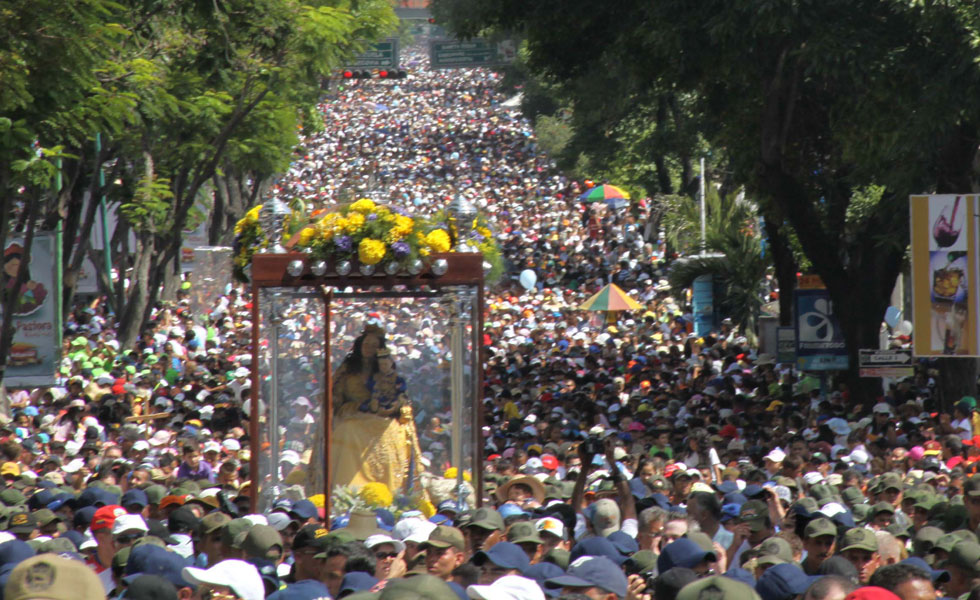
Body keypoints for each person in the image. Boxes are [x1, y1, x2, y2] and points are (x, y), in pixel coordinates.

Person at [329, 325, 424, 492]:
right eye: (366, 345)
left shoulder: (386, 371)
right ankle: (349, 489)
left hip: (381, 417)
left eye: (373, 346)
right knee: (348, 430)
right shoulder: (347, 369)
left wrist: (394, 406)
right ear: (360, 345)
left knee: (392, 432)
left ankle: (389, 490)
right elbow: (334, 398)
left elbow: (401, 396)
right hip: (353, 415)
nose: (368, 349)